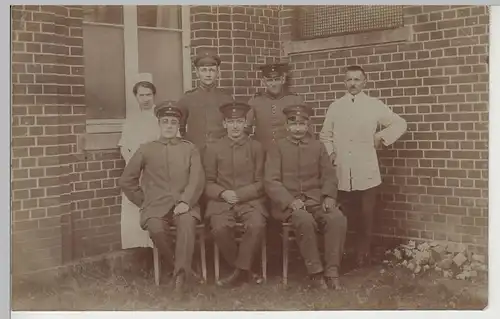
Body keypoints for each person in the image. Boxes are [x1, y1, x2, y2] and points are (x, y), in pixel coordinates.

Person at [319, 65, 407, 268]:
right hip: (342, 170)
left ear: (365, 82)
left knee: (366, 215)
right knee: (343, 215)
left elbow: (400, 123)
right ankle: (342, 256)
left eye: (357, 80)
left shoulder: (374, 105)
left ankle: (362, 256)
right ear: (344, 82)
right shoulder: (336, 106)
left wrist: (381, 136)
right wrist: (331, 153)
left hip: (366, 169)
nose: (353, 84)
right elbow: (325, 135)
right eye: (349, 80)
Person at [118, 101, 205, 292]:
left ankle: (180, 279)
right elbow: (126, 180)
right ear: (159, 124)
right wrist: (144, 201)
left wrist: (185, 201)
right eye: (165, 121)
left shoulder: (189, 149)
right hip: (155, 206)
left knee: (187, 224)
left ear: (179, 125)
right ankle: (176, 267)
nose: (169, 126)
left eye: (173, 122)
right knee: (156, 228)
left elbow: (197, 179)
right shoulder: (146, 149)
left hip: (185, 204)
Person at [265, 104, 347, 290]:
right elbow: (271, 181)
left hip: (316, 201)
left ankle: (332, 271)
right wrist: (290, 201)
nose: (298, 128)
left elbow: (329, 175)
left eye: (302, 124)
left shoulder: (318, 147)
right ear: (287, 126)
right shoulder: (278, 148)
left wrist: (328, 196)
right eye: (293, 124)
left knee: (337, 218)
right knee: (304, 220)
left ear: (308, 125)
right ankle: (315, 272)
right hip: (289, 206)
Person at [203, 101, 267, 287]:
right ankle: (246, 271)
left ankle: (238, 273)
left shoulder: (255, 147)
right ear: (224, 124)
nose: (236, 126)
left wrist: (240, 194)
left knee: (256, 225)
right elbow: (207, 182)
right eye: (231, 122)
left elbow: (262, 181)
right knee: (220, 228)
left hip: (250, 201)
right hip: (221, 202)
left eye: (239, 121)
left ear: (245, 123)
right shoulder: (213, 148)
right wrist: (222, 193)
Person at [118, 79, 159, 250]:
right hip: (136, 171)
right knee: (134, 207)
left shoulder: (160, 118)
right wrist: (133, 164)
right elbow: (123, 146)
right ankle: (139, 250)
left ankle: (156, 248)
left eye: (148, 94)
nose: (145, 99)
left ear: (154, 95)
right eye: (141, 95)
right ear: (136, 97)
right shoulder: (131, 121)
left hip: (156, 171)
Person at [178, 47, 234, 154]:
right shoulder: (187, 99)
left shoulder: (226, 99)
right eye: (204, 70)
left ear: (217, 72)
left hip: (221, 154)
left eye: (212, 70)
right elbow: (180, 128)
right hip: (195, 153)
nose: (208, 74)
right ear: (197, 72)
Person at [246, 62, 308, 151]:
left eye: (277, 79)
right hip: (263, 153)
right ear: (264, 82)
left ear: (283, 79)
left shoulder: (295, 100)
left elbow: (307, 129)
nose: (274, 84)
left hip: (288, 152)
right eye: (270, 80)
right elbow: (245, 128)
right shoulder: (255, 101)